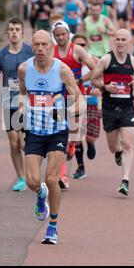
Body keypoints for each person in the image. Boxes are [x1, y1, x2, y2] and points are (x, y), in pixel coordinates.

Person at [18, 30, 84, 244]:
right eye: (36, 45)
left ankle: (53, 227)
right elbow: (21, 94)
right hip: (34, 131)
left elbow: (79, 100)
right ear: (32, 46)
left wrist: (66, 109)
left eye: (44, 45)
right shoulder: (24, 69)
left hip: (57, 131)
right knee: (32, 181)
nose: (40, 49)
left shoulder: (62, 70)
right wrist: (20, 115)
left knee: (52, 179)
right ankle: (40, 196)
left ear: (51, 46)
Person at [91, 29, 134, 196]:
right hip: (109, 108)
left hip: (127, 109)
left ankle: (125, 180)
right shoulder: (106, 60)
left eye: (124, 39)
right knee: (113, 146)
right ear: (113, 41)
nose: (120, 42)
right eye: (118, 39)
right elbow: (94, 79)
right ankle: (117, 153)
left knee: (127, 144)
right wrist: (104, 86)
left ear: (129, 42)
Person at [0, 18, 34, 191]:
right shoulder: (1, 55)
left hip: (27, 100)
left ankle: (33, 171)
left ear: (22, 32)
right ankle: (22, 178)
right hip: (9, 100)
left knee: (24, 142)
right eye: (11, 29)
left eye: (17, 29)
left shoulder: (30, 52)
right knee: (14, 143)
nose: (14, 32)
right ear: (7, 33)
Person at [51, 21, 96, 189]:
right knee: (59, 135)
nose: (61, 37)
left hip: (76, 98)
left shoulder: (77, 50)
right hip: (57, 99)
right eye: (57, 35)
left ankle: (72, 146)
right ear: (54, 37)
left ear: (68, 34)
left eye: (63, 34)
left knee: (74, 137)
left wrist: (80, 80)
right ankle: (63, 175)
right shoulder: (51, 51)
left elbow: (95, 69)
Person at [71, 34, 102, 180]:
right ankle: (80, 167)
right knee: (77, 137)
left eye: (83, 45)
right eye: (77, 45)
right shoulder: (69, 63)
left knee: (90, 137)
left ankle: (91, 144)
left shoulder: (94, 61)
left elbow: (101, 80)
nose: (80, 47)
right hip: (76, 103)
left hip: (91, 103)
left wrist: (99, 91)